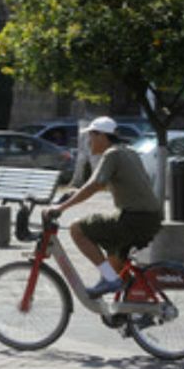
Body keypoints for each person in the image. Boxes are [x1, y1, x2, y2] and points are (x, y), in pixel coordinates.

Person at [43, 116, 161, 299]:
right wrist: (73, 193)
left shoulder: (111, 154)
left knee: (77, 229)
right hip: (150, 217)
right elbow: (113, 182)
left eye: (90, 137)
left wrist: (61, 208)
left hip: (134, 218)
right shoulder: (128, 152)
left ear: (101, 136)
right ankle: (134, 309)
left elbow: (94, 185)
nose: (88, 142)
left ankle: (109, 280)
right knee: (114, 261)